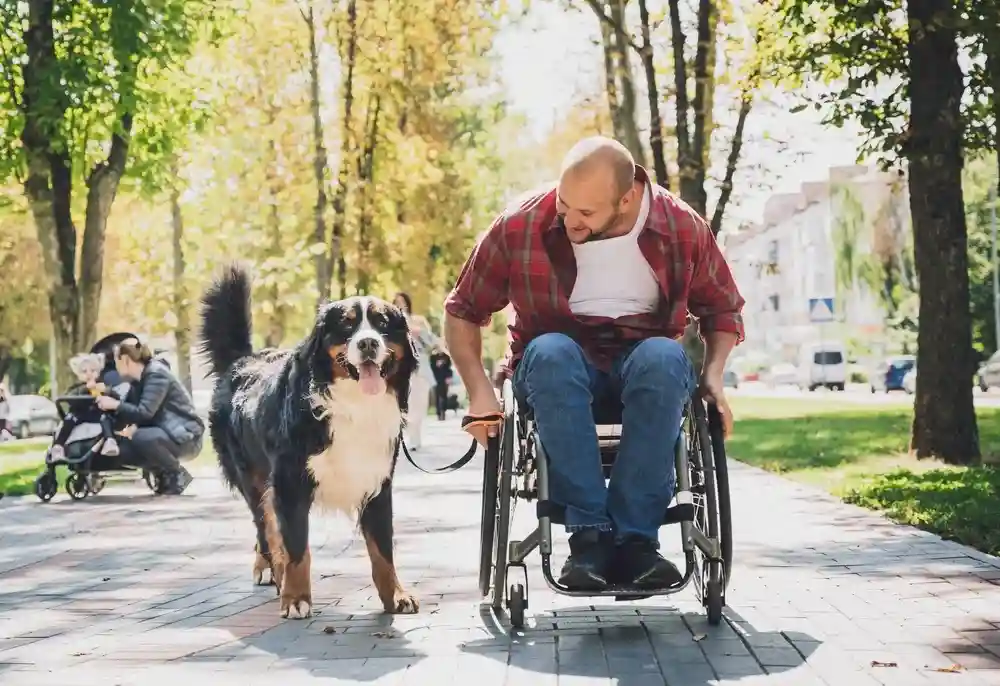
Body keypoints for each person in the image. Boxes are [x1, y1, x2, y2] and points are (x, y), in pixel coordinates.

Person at [443, 136, 745, 592]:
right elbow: (462, 309)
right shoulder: (523, 224)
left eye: (586, 214)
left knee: (664, 357)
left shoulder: (681, 227)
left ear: (627, 199)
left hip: (644, 367)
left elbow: (722, 309)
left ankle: (637, 542)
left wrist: (714, 377)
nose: (569, 221)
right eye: (565, 206)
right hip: (555, 369)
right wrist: (480, 390)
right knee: (550, 352)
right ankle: (589, 539)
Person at [96, 338, 204, 495]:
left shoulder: (157, 375)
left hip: (185, 435)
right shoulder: (136, 381)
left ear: (125, 359)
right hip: (165, 432)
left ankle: (177, 473)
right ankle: (162, 474)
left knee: (142, 437)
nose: (114, 366)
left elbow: (145, 412)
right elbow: (130, 414)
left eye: (116, 360)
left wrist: (115, 405)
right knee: (122, 448)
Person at [49, 352, 132, 460]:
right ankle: (58, 446)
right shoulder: (77, 387)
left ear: (98, 373)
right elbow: (70, 399)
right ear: (78, 374)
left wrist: (107, 392)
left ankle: (109, 441)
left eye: (93, 371)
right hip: (80, 414)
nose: (89, 374)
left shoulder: (102, 386)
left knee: (106, 418)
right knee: (69, 419)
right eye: (84, 372)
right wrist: (85, 389)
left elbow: (116, 399)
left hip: (98, 415)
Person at [392, 292, 439, 450]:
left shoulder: (418, 321)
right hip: (401, 370)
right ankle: (409, 438)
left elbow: (432, 343)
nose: (400, 305)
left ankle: (415, 437)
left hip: (421, 369)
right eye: (397, 302)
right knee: (407, 405)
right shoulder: (389, 324)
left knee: (420, 406)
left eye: (402, 302)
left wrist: (420, 333)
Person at [429, 348, 453, 420]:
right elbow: (431, 367)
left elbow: (449, 367)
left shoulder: (446, 356)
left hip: (444, 379)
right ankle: (438, 413)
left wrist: (449, 377)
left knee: (444, 396)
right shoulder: (433, 357)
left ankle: (443, 411)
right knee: (437, 396)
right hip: (436, 379)